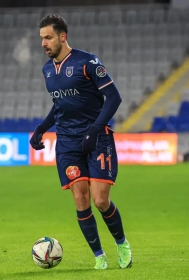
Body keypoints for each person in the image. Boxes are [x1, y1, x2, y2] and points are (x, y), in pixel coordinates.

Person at [29, 15, 132, 270]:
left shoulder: (87, 62)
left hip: (96, 138)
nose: (44, 42)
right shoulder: (46, 71)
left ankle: (121, 242)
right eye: (41, 38)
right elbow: (59, 105)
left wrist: (96, 128)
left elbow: (113, 97)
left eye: (48, 37)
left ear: (62, 36)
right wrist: (42, 127)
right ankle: (99, 256)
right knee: (81, 200)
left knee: (100, 200)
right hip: (67, 142)